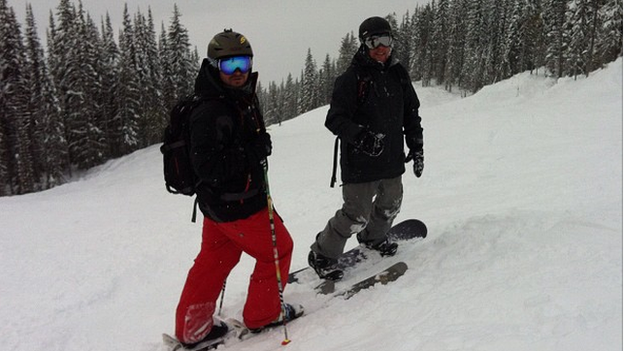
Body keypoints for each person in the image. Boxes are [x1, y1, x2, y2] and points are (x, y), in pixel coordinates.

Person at [173, 29, 302, 348]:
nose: (238, 71)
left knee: (214, 260)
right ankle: (263, 315)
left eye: (243, 63)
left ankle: (193, 328)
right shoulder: (211, 110)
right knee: (278, 250)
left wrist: (254, 146)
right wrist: (253, 151)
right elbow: (209, 167)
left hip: (219, 208)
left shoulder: (236, 96)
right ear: (215, 66)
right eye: (229, 65)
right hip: (238, 206)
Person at [308, 17, 424, 280]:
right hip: (360, 162)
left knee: (390, 204)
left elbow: (411, 113)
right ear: (364, 43)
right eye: (374, 41)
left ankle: (373, 238)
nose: (381, 48)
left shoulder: (398, 73)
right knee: (355, 215)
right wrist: (361, 137)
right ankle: (322, 254)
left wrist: (417, 147)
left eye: (386, 41)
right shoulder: (352, 78)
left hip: (392, 158)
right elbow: (334, 119)